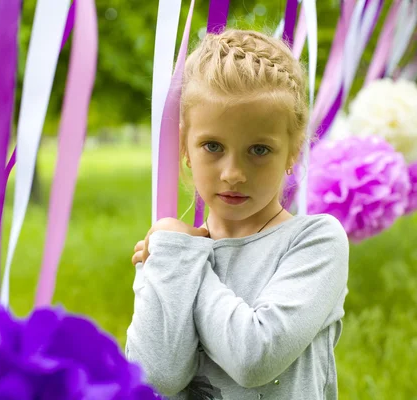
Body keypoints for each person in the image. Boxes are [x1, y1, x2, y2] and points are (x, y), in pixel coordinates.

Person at [125, 29, 349, 400]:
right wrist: (173, 253)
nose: (232, 173)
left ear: (293, 152)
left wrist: (180, 257)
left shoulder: (316, 241)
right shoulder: (168, 251)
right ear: (185, 146)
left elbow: (254, 358)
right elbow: (156, 378)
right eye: (212, 146)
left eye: (259, 150)